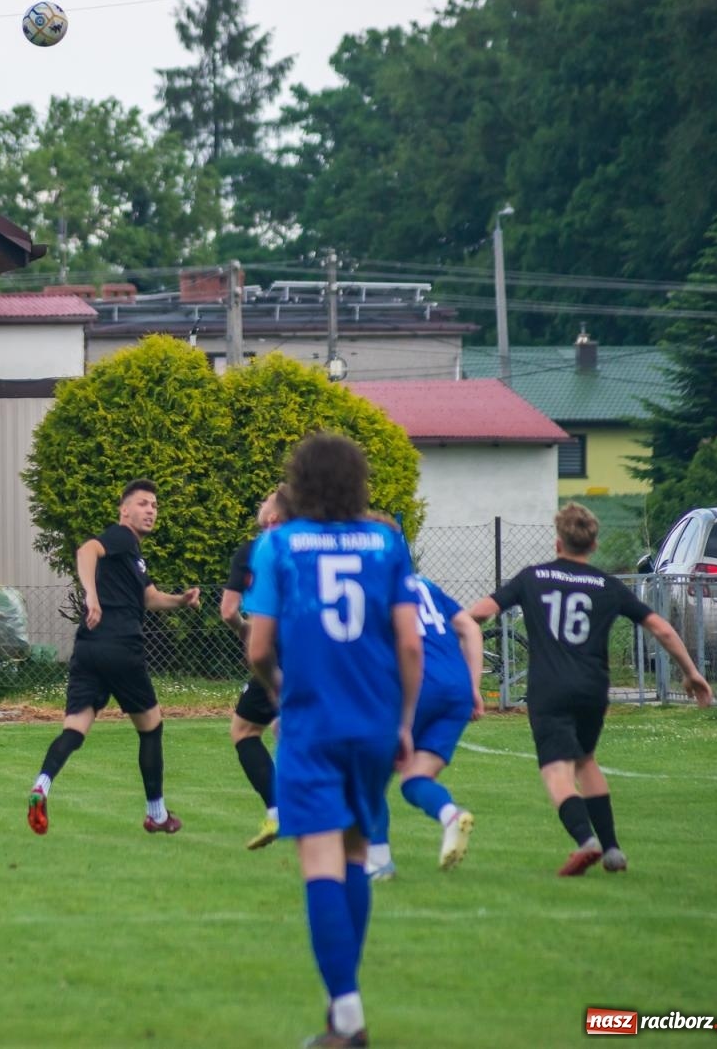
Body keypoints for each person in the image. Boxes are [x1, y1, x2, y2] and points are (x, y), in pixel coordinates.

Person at [244, 433, 423, 1048]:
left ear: (298, 483)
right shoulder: (387, 543)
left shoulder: (279, 545)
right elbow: (409, 643)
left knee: (320, 861)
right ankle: (339, 1015)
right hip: (374, 724)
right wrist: (403, 721)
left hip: (312, 723)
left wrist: (278, 688)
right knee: (354, 853)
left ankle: (346, 1015)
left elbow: (259, 647)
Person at [468, 502, 711, 876]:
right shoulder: (607, 586)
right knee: (585, 760)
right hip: (593, 689)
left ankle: (586, 840)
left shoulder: (533, 578)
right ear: (593, 545)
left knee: (556, 772)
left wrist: (457, 638)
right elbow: (661, 628)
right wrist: (691, 672)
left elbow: (478, 613)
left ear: (557, 542)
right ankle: (613, 849)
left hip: (549, 688)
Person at [26, 479, 201, 836]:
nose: (151, 509)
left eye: (154, 505)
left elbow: (149, 598)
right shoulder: (120, 537)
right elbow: (86, 551)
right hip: (121, 646)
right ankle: (156, 813)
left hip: (89, 648)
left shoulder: (133, 555)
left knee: (75, 729)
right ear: (124, 510)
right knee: (151, 728)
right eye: (142, 503)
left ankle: (42, 784)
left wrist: (181, 600)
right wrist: (91, 596)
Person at [357, 514, 485, 879]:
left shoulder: (374, 587)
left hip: (415, 687)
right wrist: (473, 685)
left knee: (370, 775)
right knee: (415, 780)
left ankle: (379, 863)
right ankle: (451, 816)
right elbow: (469, 629)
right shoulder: (425, 584)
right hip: (456, 690)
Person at [220, 486, 287, 850]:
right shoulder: (316, 545)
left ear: (273, 516)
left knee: (245, 732)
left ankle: (279, 811)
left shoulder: (256, 549)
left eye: (265, 501)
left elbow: (229, 610)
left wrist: (246, 630)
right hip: (327, 653)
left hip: (280, 653)